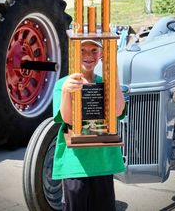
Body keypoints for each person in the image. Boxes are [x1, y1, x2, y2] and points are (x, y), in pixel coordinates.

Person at [52, 39, 125, 211]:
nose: (88, 55)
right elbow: (68, 119)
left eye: (94, 50)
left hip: (102, 162)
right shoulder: (62, 84)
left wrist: (113, 72)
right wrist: (66, 92)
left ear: (101, 54)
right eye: (82, 49)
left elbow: (118, 111)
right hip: (75, 164)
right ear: (74, 53)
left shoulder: (105, 82)